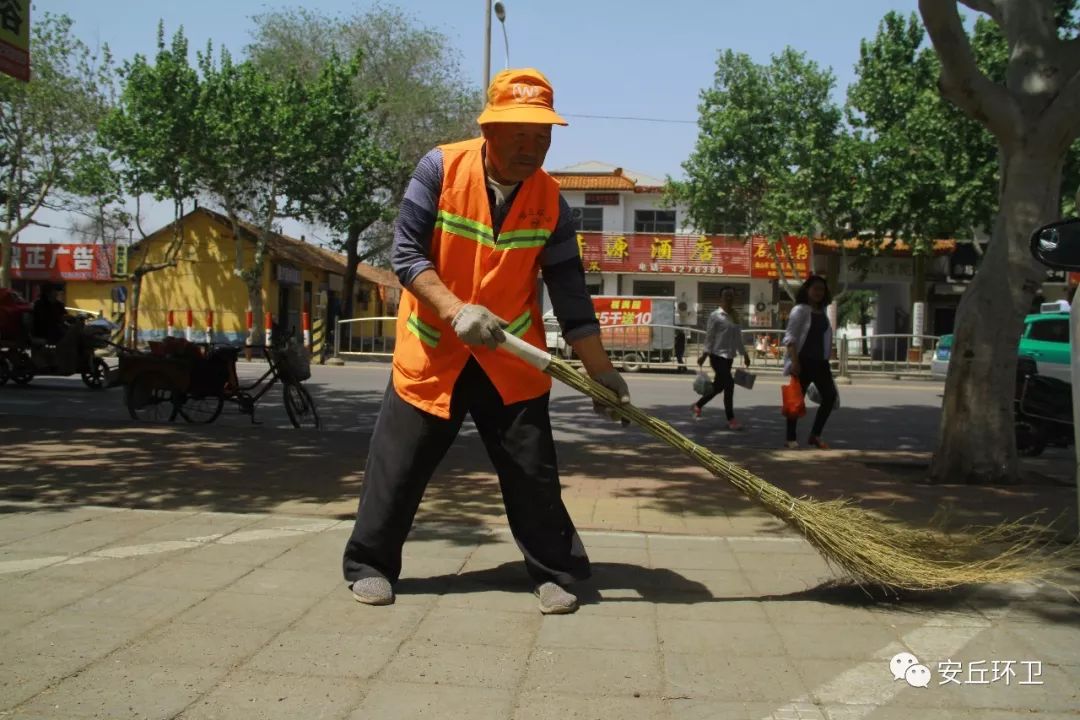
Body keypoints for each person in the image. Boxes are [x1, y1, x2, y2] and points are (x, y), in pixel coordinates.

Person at [341, 68, 631, 615]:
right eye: (520, 134)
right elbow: (406, 255)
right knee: (398, 466)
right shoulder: (441, 168)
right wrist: (453, 310)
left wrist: (601, 372)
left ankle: (554, 572)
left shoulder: (552, 201)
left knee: (532, 473)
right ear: (489, 129)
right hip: (434, 350)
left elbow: (570, 295)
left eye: (542, 136)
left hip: (509, 357)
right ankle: (370, 564)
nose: (532, 147)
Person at [782, 275, 838, 449]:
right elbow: (790, 337)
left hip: (820, 363)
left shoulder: (822, 312)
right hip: (803, 361)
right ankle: (791, 438)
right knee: (795, 401)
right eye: (815, 288)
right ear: (807, 290)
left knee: (829, 397)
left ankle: (815, 434)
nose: (819, 292)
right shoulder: (800, 310)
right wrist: (795, 361)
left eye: (822, 289)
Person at [692, 287, 750, 429]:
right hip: (717, 356)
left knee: (718, 387)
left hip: (729, 357)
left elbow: (738, 339)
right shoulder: (715, 316)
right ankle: (731, 420)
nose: (729, 299)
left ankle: (698, 405)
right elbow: (710, 337)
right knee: (729, 385)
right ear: (721, 299)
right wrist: (704, 355)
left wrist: (745, 354)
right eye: (726, 297)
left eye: (731, 296)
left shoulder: (735, 316)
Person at [673, 301, 688, 372]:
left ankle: (682, 367)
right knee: (678, 354)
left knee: (679, 353)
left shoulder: (678, 315)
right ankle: (682, 367)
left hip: (680, 336)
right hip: (679, 336)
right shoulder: (678, 315)